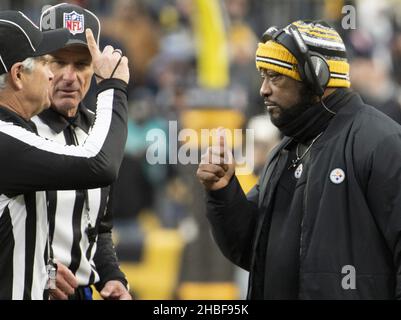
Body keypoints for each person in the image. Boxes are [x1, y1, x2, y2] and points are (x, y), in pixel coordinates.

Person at [197, 20, 401, 299]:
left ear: (317, 76)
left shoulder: (381, 142)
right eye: (262, 76)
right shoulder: (283, 153)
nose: (263, 90)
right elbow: (252, 251)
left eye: (275, 76)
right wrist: (224, 192)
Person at [0, 10, 129, 299]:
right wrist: (44, 269)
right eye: (56, 62)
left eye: (82, 64)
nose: (68, 77)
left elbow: (98, 228)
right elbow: (99, 164)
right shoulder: (18, 133)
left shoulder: (101, 130)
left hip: (79, 292)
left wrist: (111, 275)